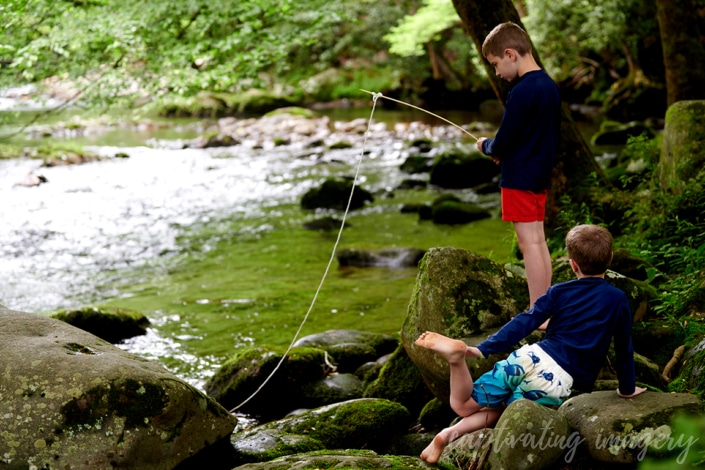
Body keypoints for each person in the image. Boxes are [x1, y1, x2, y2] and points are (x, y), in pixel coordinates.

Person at [414, 224, 647, 464]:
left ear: (572, 264)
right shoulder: (618, 299)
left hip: (528, 357)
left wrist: (483, 348)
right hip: (554, 380)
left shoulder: (558, 292)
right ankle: (447, 434)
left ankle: (456, 369)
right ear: (610, 258)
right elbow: (623, 348)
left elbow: (525, 322)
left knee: (464, 405)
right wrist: (627, 389)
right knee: (507, 412)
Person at [475, 22, 561, 311]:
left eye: (496, 64)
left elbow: (505, 138)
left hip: (519, 178)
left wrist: (487, 146)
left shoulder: (522, 91)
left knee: (529, 245)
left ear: (511, 54)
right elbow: (535, 134)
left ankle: (539, 310)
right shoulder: (549, 85)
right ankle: (544, 305)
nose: (497, 73)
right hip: (539, 174)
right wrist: (504, 151)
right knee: (538, 241)